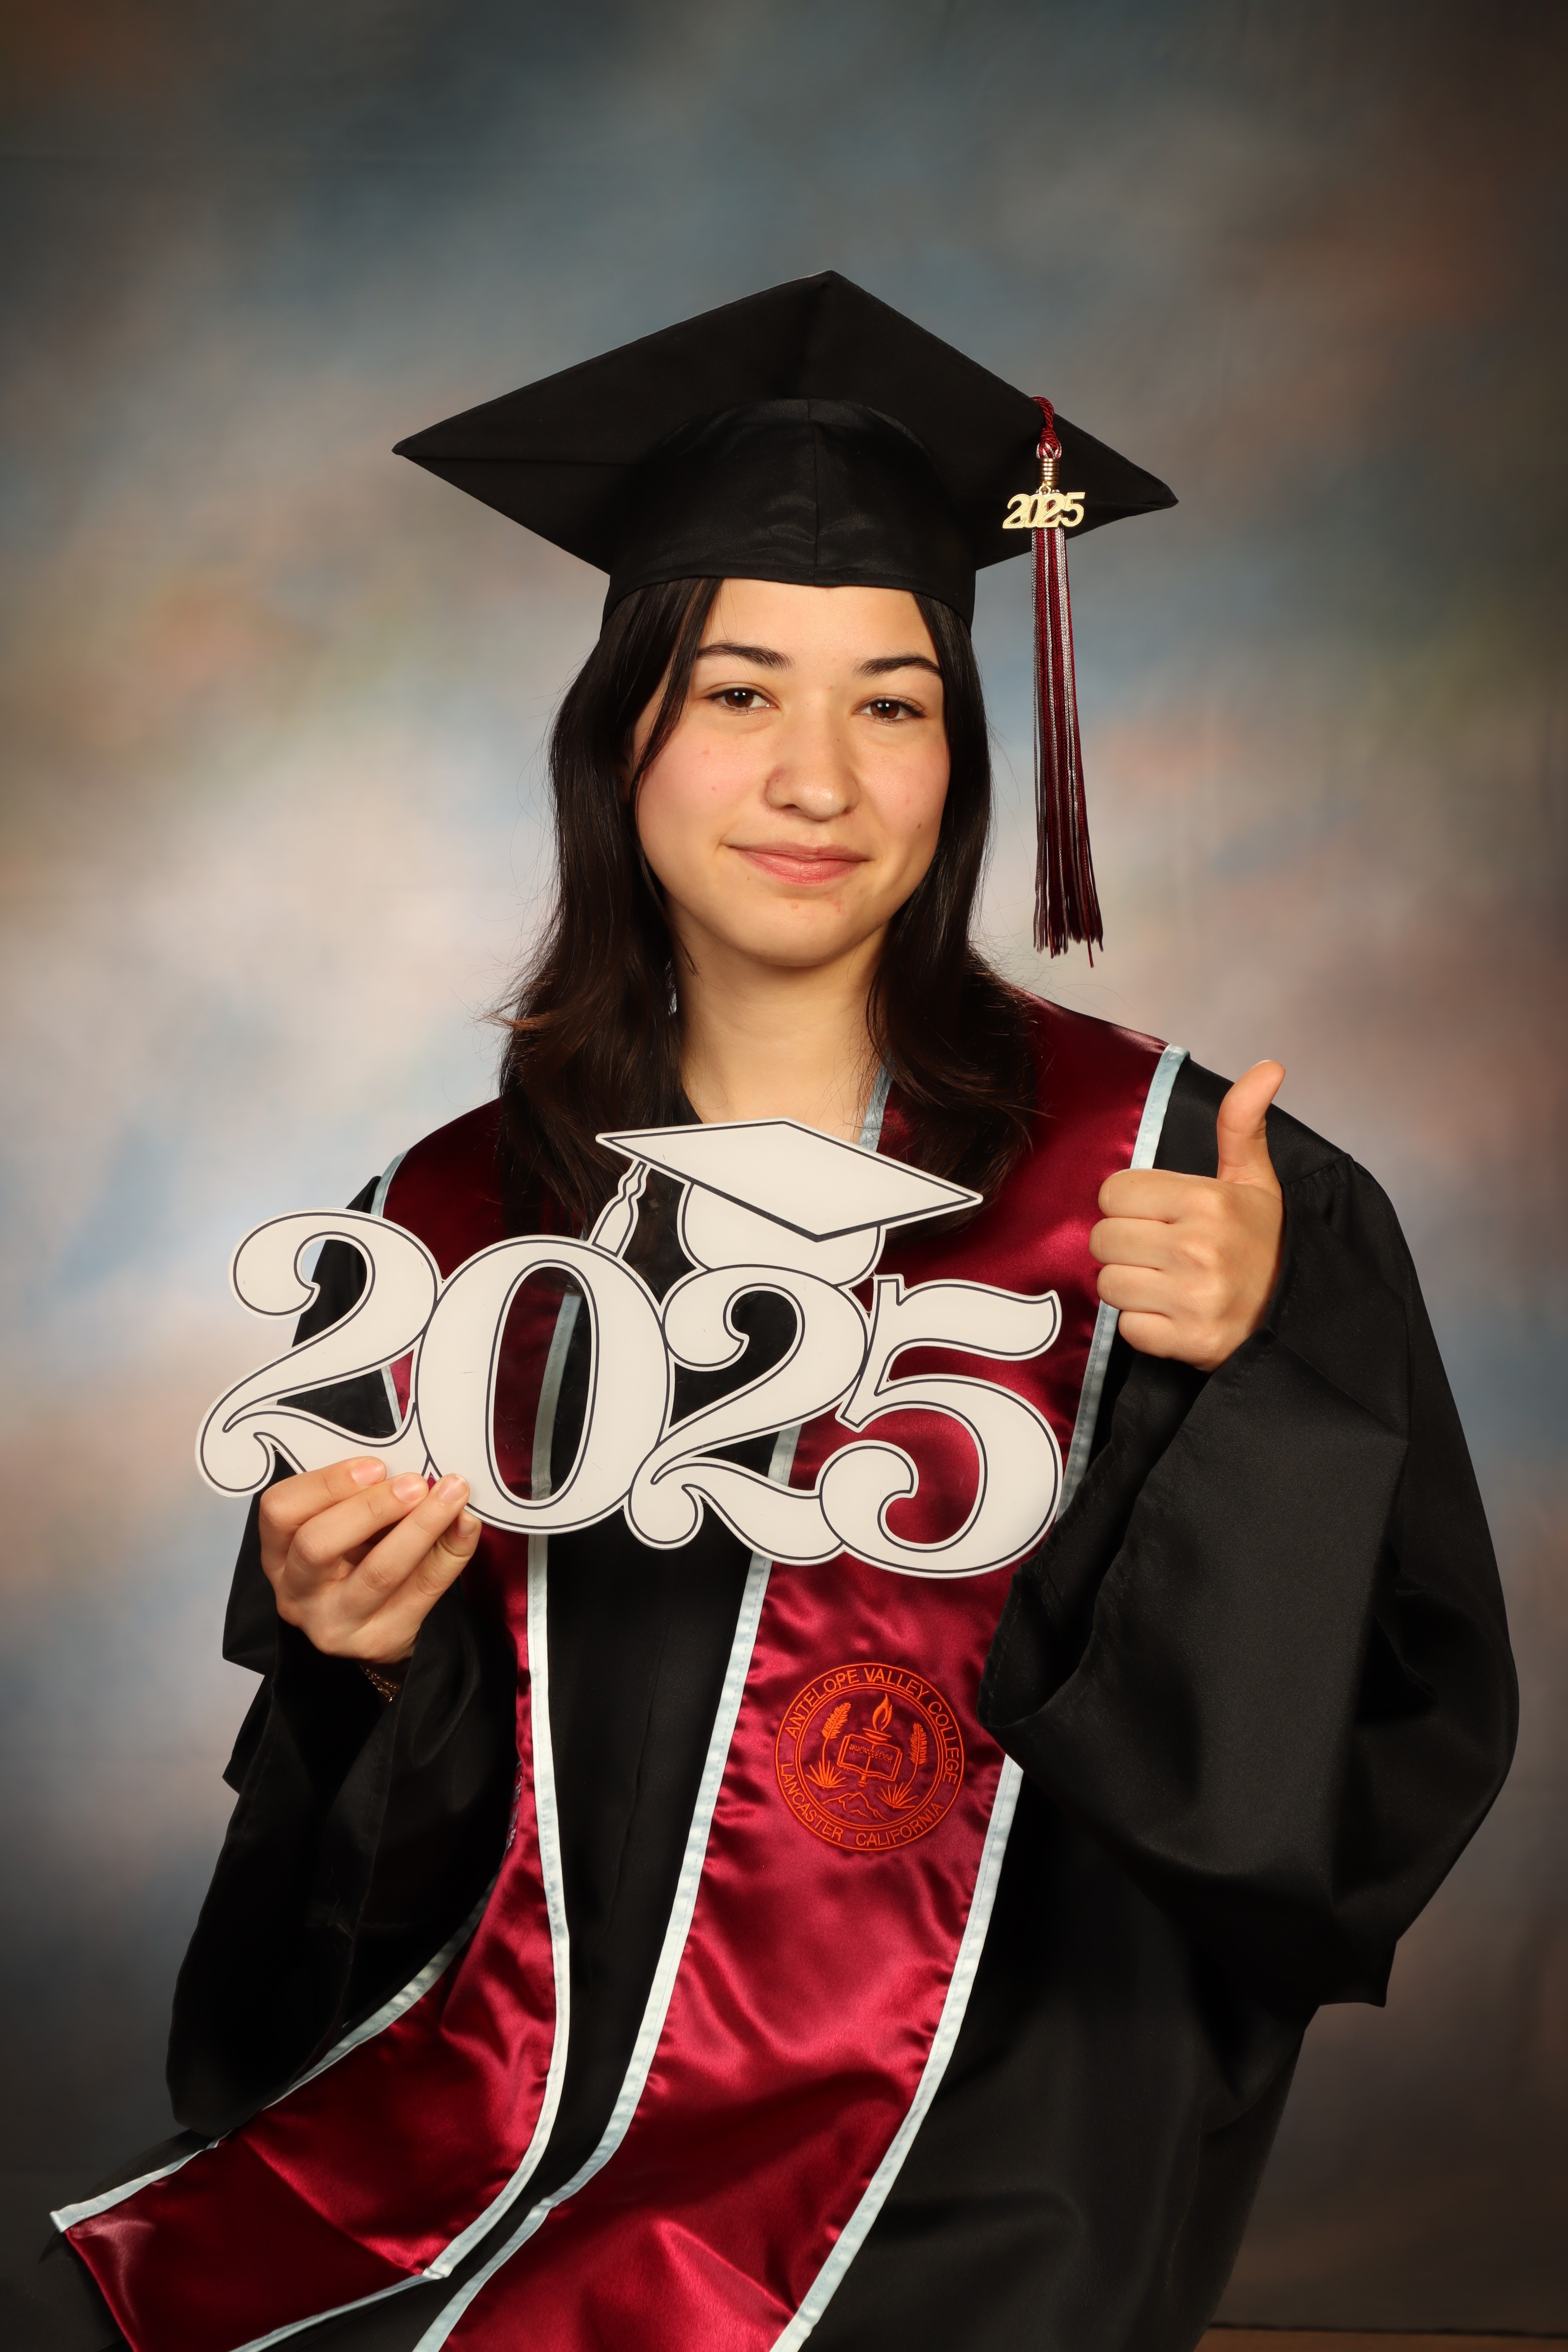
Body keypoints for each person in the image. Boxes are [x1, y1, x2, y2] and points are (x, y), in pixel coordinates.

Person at [27, 273, 1515, 2352]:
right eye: (738, 692)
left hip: (982, 2152)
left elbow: (1353, 1769)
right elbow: (384, 1863)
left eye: (892, 704)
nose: (816, 777)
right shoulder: (445, 1229)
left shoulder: (1177, 1186)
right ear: (619, 737)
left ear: (962, 758)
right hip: (498, 2116)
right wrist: (364, 1655)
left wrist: (1252, 1386)